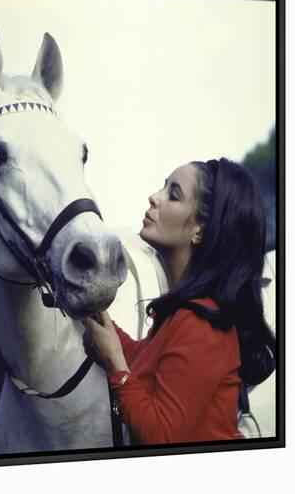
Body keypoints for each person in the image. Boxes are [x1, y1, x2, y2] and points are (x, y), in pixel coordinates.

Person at [82, 158, 275, 445]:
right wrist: (92, 312)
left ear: (200, 230)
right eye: (162, 187)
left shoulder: (202, 322)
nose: (154, 197)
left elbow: (164, 440)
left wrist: (115, 366)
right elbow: (144, 361)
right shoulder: (185, 312)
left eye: (173, 195)